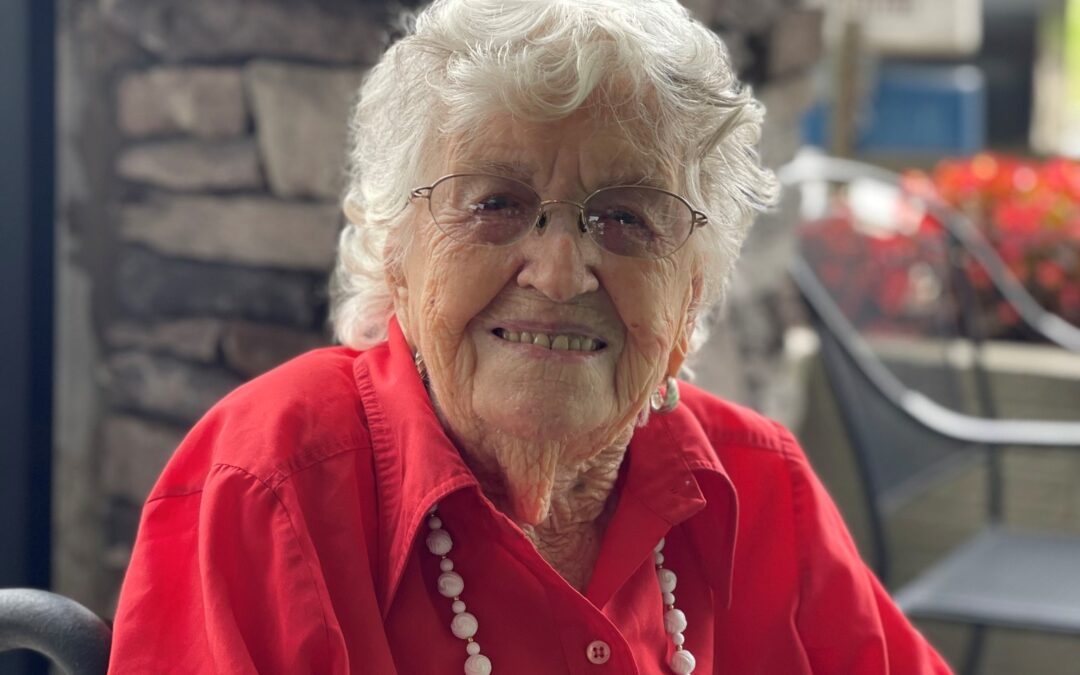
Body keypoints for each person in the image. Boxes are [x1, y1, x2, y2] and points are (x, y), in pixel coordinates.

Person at [108, 0, 953, 673]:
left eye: (625, 217)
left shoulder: (761, 486)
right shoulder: (270, 483)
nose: (558, 272)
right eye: (495, 204)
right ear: (396, 250)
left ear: (691, 287)